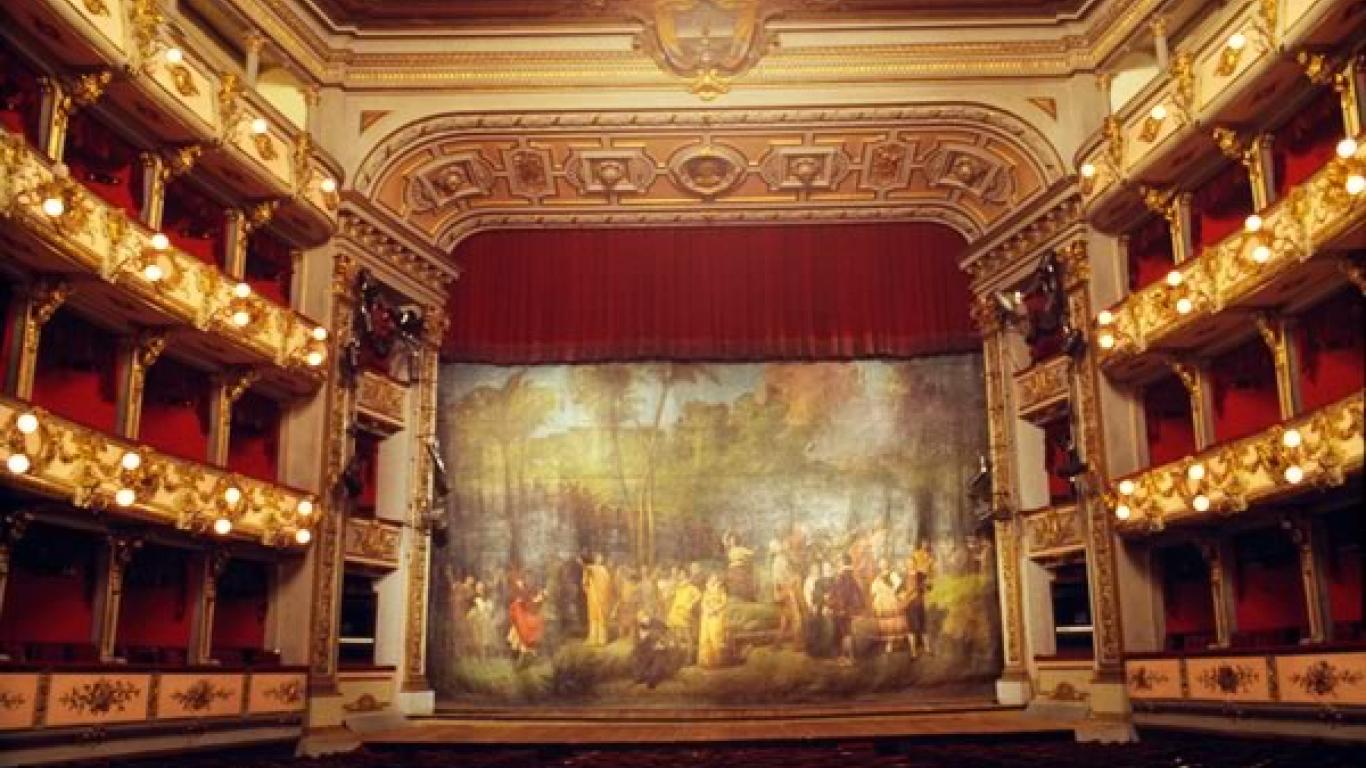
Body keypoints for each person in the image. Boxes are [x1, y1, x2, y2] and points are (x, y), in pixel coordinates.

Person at [829, 554, 864, 665]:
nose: (837, 564)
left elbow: (840, 594)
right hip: (848, 609)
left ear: (843, 563)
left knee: (845, 633)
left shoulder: (842, 577)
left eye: (839, 562)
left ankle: (848, 657)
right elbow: (858, 593)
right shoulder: (851, 576)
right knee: (846, 633)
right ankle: (849, 657)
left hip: (842, 609)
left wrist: (833, 604)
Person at [666, 564, 703, 663]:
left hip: (684, 612)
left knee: (687, 635)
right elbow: (671, 595)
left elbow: (699, 595)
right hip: (675, 612)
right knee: (675, 636)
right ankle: (678, 656)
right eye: (680, 574)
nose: (680, 575)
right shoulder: (678, 586)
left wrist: (690, 604)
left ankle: (689, 657)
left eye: (682, 574)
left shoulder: (690, 586)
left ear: (686, 575)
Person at [631, 610, 676, 689]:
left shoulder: (657, 623)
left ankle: (652, 680)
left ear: (648, 616)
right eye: (639, 619)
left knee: (659, 656)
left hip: (659, 649)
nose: (642, 620)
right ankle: (640, 676)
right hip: (645, 650)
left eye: (643, 617)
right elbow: (638, 642)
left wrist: (663, 644)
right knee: (643, 659)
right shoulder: (638, 629)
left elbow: (667, 634)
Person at [870, 560, 906, 654]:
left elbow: (898, 585)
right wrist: (878, 594)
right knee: (884, 622)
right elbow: (873, 589)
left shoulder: (892, 574)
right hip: (881, 602)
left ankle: (892, 642)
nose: (882, 565)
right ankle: (888, 642)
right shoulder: (878, 577)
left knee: (892, 621)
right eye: (881, 564)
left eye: (884, 563)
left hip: (890, 600)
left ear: (887, 564)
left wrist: (891, 591)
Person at [507, 576, 546, 662]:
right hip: (521, 619)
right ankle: (516, 657)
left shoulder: (531, 595)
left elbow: (533, 603)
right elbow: (522, 603)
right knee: (517, 638)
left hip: (526, 620)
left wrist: (539, 598)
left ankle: (523, 657)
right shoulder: (520, 599)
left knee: (523, 638)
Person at [698, 574, 730, 669]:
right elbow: (703, 603)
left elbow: (724, 602)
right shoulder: (706, 591)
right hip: (707, 616)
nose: (713, 580)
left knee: (716, 636)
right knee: (705, 637)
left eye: (715, 578)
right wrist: (707, 610)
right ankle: (707, 661)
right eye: (711, 578)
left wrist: (715, 609)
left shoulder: (721, 590)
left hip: (717, 615)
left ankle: (717, 660)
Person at [583, 553, 613, 646]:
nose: (599, 560)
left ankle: (601, 639)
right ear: (595, 559)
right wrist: (588, 589)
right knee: (594, 617)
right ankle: (594, 639)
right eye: (598, 558)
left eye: (600, 558)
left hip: (600, 597)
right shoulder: (592, 568)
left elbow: (608, 585)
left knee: (600, 618)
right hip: (594, 596)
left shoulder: (603, 570)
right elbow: (585, 582)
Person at [904, 569, 932, 658]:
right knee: (911, 629)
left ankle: (927, 649)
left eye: (912, 563)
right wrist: (906, 596)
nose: (910, 565)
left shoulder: (920, 575)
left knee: (923, 628)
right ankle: (913, 652)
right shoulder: (903, 578)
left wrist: (925, 584)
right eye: (909, 564)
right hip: (910, 607)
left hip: (920, 606)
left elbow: (929, 588)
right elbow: (898, 592)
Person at [722, 531, 756, 601]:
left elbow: (751, 554)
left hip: (740, 568)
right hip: (732, 568)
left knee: (742, 581)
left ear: (737, 540)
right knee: (730, 581)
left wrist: (754, 550)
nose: (732, 541)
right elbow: (724, 541)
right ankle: (733, 596)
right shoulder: (729, 549)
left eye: (734, 540)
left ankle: (744, 596)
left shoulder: (741, 549)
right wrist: (727, 533)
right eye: (731, 540)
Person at [466, 580, 496, 658]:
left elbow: (491, 609)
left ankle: (486, 654)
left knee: (486, 637)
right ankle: (478, 654)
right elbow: (470, 612)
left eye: (482, 588)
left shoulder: (488, 599)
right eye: (478, 588)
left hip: (486, 621)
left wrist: (488, 610)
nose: (480, 589)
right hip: (476, 621)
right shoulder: (473, 599)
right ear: (476, 589)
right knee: (477, 638)